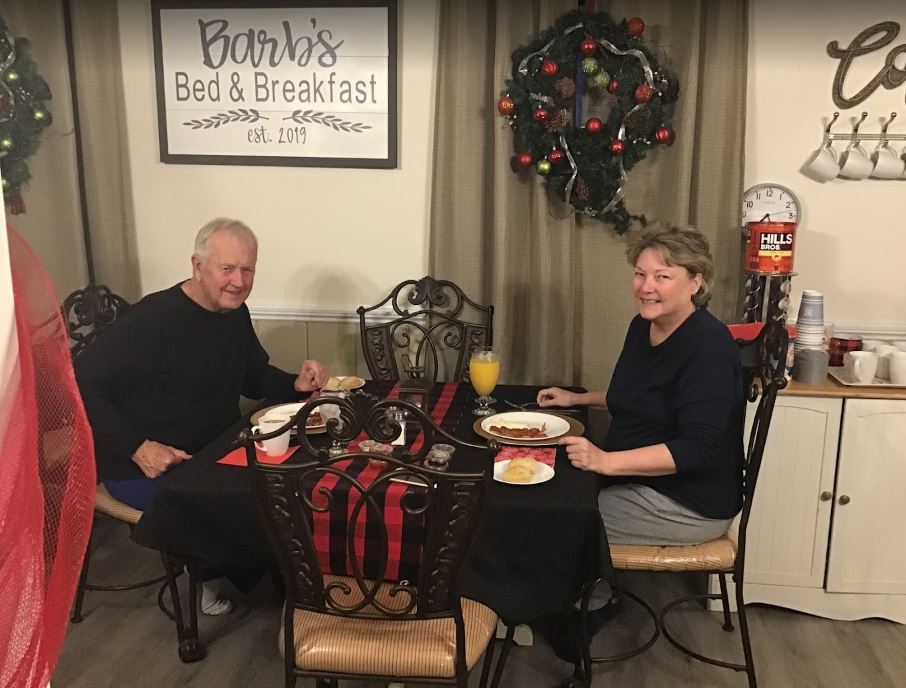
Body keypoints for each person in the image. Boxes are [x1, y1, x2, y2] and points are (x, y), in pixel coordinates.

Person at [75, 217, 330, 614]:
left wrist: (295, 384)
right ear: (197, 265)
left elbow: (253, 376)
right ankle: (212, 576)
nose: (238, 280)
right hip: (143, 464)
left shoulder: (234, 312)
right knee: (239, 501)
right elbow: (83, 383)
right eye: (227, 268)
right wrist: (138, 448)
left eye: (248, 270)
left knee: (287, 481)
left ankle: (286, 584)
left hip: (213, 448)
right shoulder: (152, 319)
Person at [537, 224, 744, 650]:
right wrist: (580, 398)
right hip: (641, 478)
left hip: (689, 500)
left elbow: (698, 448)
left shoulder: (709, 346)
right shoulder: (643, 326)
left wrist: (606, 462)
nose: (647, 287)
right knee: (548, 488)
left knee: (560, 514)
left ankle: (587, 607)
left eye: (662, 276)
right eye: (640, 273)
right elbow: (636, 398)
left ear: (696, 281)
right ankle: (576, 595)